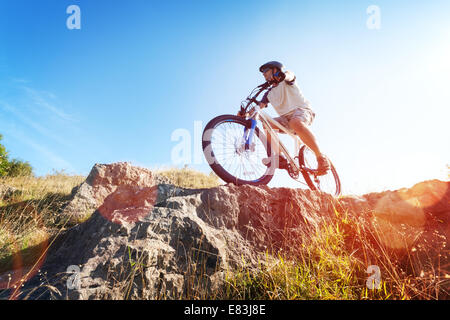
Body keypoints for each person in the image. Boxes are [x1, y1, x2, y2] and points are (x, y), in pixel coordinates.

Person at [240, 61, 330, 175]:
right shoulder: (269, 93)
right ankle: (279, 157)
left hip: (302, 111)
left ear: (275, 70)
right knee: (267, 123)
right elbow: (258, 107)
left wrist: (284, 75)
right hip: (285, 119)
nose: (264, 74)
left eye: (266, 71)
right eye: (263, 73)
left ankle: (321, 158)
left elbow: (290, 75)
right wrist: (245, 114)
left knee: (295, 122)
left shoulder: (286, 80)